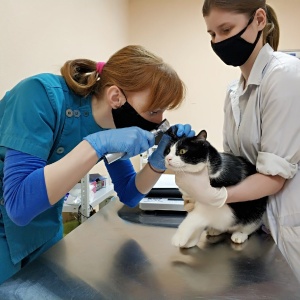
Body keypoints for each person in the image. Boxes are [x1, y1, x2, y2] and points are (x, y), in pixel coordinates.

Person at [0, 45, 195, 284]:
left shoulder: (111, 125)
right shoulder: (38, 95)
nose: (159, 121)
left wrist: (158, 162)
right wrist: (95, 144)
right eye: (154, 111)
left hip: (44, 229)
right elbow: (19, 205)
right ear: (116, 97)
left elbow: (129, 193)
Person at [175, 0, 300, 282]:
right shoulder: (234, 90)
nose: (218, 41)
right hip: (259, 225)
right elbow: (237, 163)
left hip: (290, 226)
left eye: (226, 29)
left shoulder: (285, 76)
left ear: (258, 19)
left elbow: (273, 177)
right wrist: (199, 176)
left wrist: (215, 197)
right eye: (212, 35)